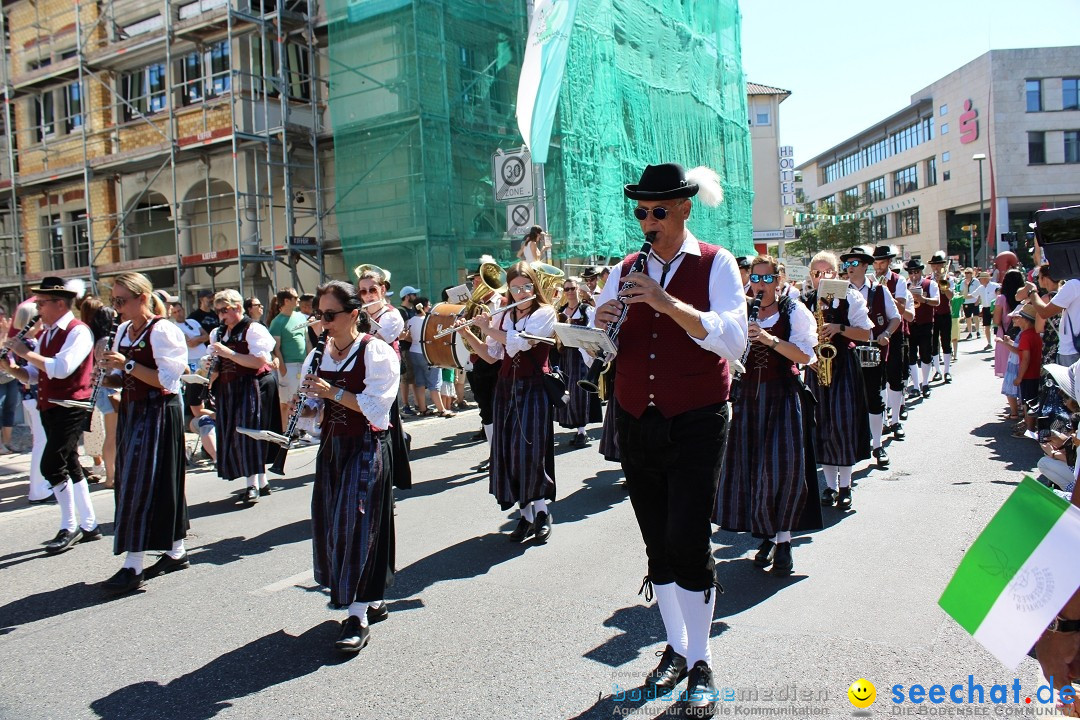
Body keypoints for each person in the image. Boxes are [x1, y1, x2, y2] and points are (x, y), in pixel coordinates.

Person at [594, 163, 747, 712]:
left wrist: (666, 303)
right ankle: (676, 648)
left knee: (688, 538)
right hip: (637, 417)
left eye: (659, 211)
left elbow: (734, 338)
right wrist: (598, 326)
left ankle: (701, 657)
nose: (648, 220)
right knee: (656, 541)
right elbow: (602, 348)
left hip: (697, 417)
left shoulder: (717, 262)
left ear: (684, 208)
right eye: (641, 211)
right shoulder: (625, 268)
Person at [299, 280, 400, 652]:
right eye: (319, 315)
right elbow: (314, 412)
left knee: (356, 526)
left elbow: (377, 409)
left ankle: (356, 615)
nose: (323, 323)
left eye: (330, 315)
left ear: (353, 314)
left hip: (365, 447)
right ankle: (371, 599)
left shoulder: (376, 353)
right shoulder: (318, 354)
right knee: (333, 524)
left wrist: (332, 393)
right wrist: (309, 405)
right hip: (332, 448)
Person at [714, 255, 821, 577]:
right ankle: (767, 537)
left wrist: (769, 339)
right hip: (748, 400)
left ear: (778, 279)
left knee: (781, 471)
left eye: (766, 279)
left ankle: (784, 541)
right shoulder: (742, 311)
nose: (759, 286)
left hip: (783, 397)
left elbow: (806, 356)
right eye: (755, 280)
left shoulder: (793, 310)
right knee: (753, 472)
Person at [97, 273, 190, 592]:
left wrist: (127, 366)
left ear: (142, 298)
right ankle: (176, 551)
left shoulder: (163, 330)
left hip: (159, 412)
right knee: (139, 482)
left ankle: (132, 566)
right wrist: (106, 374)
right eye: (114, 300)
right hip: (134, 412)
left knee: (142, 485)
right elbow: (123, 376)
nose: (116, 307)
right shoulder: (123, 329)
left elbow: (167, 380)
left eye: (121, 300)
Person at [457, 261, 557, 542]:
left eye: (526, 287)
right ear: (509, 291)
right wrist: (468, 333)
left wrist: (487, 328)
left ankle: (541, 512)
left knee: (531, 452)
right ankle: (524, 517)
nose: (522, 293)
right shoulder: (504, 316)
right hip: (506, 388)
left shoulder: (545, 313)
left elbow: (523, 342)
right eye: (515, 289)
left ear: (534, 287)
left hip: (534, 387)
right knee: (508, 454)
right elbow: (492, 356)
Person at [7, 277, 100, 553]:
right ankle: (90, 523)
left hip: (70, 406)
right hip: (50, 405)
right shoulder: (47, 334)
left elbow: (62, 369)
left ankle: (69, 525)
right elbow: (35, 375)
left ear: (60, 303)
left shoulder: (78, 331)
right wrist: (12, 367)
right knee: (70, 463)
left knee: (51, 465)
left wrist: (25, 351)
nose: (38, 308)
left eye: (42, 303)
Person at [803, 251, 873, 509]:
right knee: (821, 425)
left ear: (837, 273)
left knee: (842, 424)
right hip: (816, 367)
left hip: (843, 365)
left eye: (827, 272)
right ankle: (830, 487)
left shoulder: (850, 296)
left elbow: (866, 333)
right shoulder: (805, 300)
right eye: (816, 273)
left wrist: (839, 328)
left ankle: (846, 485)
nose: (822, 277)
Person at [208, 289, 276, 502]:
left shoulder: (253, 329)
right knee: (234, 434)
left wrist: (228, 353)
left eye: (224, 310)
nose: (221, 315)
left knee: (249, 432)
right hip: (228, 388)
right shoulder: (218, 333)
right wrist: (208, 371)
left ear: (237, 307)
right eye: (218, 311)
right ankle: (262, 481)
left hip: (251, 386)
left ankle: (252, 484)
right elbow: (218, 364)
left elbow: (259, 361)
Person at [843, 245, 901, 469]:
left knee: (873, 397)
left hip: (871, 350)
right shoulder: (840, 289)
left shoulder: (880, 290)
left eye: (854, 263)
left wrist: (886, 333)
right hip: (847, 350)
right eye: (847, 263)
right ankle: (853, 444)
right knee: (849, 399)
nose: (849, 267)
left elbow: (894, 318)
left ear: (865, 265)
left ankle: (877, 445)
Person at [5, 302, 49, 502]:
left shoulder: (20, 341)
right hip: (35, 396)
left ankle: (41, 485)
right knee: (41, 442)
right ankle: (39, 489)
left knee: (39, 441)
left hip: (29, 398)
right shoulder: (29, 344)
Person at [555, 276, 601, 448]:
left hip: (581, 356)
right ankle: (576, 428)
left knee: (580, 392)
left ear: (578, 290)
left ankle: (582, 431)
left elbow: (591, 330)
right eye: (566, 289)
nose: (570, 292)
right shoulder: (560, 311)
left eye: (572, 288)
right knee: (567, 390)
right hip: (565, 356)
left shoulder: (586, 310)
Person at [463, 262, 503, 454]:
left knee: (500, 409)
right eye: (474, 279)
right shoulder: (472, 305)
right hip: (478, 359)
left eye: (478, 278)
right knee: (485, 409)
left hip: (498, 361)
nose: (475, 282)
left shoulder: (502, 303)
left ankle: (502, 452)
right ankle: (493, 452)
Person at [872, 245, 911, 440]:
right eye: (876, 263)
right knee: (879, 378)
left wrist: (885, 292)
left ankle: (895, 420)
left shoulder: (899, 280)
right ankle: (884, 421)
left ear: (888, 262)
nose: (878, 266)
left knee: (895, 376)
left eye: (882, 263)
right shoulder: (869, 280)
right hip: (876, 335)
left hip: (895, 333)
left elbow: (902, 309)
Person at [267, 287, 309, 431]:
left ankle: (301, 429)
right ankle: (284, 431)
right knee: (286, 401)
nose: (298, 300)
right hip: (288, 366)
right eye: (295, 297)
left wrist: (310, 362)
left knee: (302, 399)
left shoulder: (300, 316)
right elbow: (275, 348)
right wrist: (283, 370)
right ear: (286, 301)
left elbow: (307, 340)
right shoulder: (277, 322)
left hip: (302, 365)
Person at [403, 298, 453, 417]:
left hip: (414, 352)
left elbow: (407, 337)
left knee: (420, 382)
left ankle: (422, 408)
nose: (430, 307)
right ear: (424, 307)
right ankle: (441, 410)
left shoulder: (409, 321)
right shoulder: (429, 320)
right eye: (429, 305)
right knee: (434, 383)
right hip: (427, 353)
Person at [1000, 304, 1042, 437]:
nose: (1018, 319)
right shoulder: (1035, 334)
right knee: (1031, 402)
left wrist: (1019, 377)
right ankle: (1029, 427)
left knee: (1028, 403)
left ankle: (1029, 431)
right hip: (1036, 373)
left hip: (1029, 375)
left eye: (1020, 317)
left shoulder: (1026, 336)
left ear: (1026, 320)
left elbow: (1025, 358)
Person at [905, 258, 940, 399]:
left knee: (925, 354)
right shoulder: (905, 285)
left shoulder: (930, 284)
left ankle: (925, 383)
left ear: (921, 271)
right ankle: (915, 385)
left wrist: (923, 299)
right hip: (911, 324)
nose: (914, 275)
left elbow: (937, 301)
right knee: (911, 356)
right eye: (911, 272)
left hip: (925, 324)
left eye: (917, 272)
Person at [927, 251, 955, 383]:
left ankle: (947, 371)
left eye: (939, 265)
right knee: (933, 344)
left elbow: (950, 296)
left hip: (945, 314)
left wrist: (942, 282)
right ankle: (937, 370)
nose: (936, 268)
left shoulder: (949, 279)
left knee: (946, 342)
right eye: (934, 265)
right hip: (932, 315)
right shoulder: (927, 280)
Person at [396, 286, 420, 414]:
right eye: (413, 294)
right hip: (406, 348)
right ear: (407, 296)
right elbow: (406, 330)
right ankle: (405, 405)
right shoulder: (401, 311)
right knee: (406, 378)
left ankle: (417, 404)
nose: (415, 297)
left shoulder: (412, 310)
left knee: (413, 378)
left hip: (413, 347)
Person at [969, 272, 1000, 352]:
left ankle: (999, 343)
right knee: (987, 326)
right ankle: (989, 343)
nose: (980, 280)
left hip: (995, 308)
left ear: (986, 279)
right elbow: (972, 295)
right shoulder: (980, 288)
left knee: (997, 326)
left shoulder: (995, 286)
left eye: (981, 279)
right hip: (986, 308)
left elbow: (1000, 295)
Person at [959, 268, 980, 338]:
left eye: (969, 273)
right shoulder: (963, 282)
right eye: (966, 273)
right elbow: (962, 293)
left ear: (972, 274)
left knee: (976, 317)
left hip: (974, 301)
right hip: (966, 302)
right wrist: (966, 285)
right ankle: (970, 332)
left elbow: (979, 291)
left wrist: (978, 300)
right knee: (968, 318)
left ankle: (978, 331)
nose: (967, 275)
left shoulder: (976, 281)